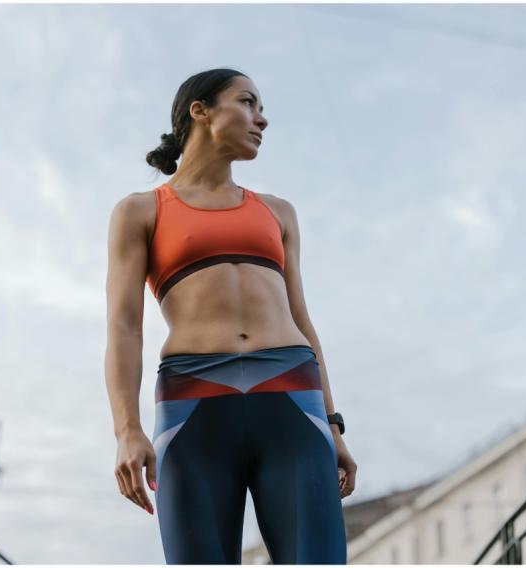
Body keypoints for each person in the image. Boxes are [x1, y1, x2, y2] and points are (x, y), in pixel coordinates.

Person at [105, 67, 357, 564]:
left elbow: (302, 318)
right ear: (200, 111)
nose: (261, 119)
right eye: (247, 103)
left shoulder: (278, 211)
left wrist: (332, 424)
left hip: (291, 395)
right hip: (192, 403)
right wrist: (126, 429)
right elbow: (123, 325)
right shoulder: (141, 210)